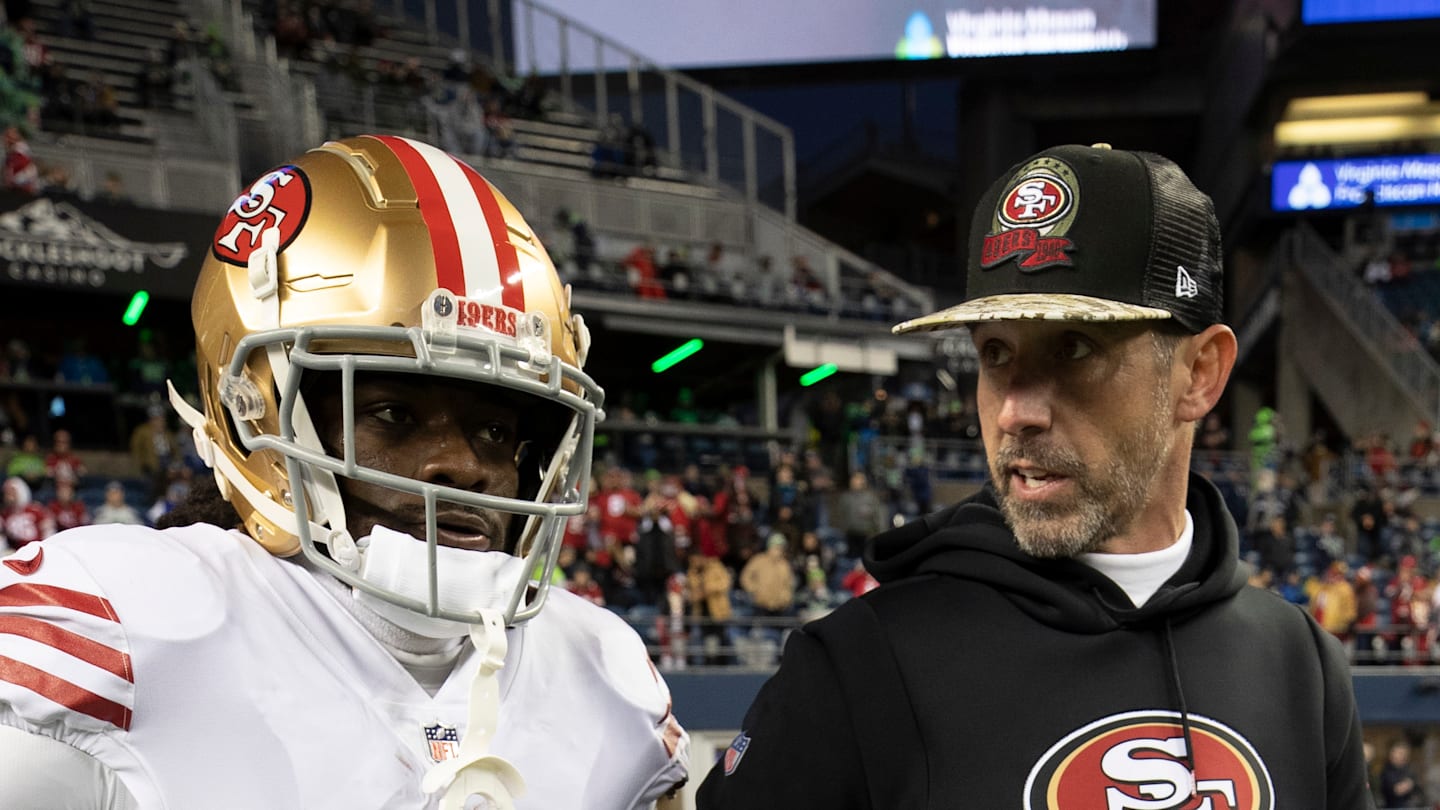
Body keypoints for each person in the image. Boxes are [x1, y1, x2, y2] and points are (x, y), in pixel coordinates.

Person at [0, 135, 687, 808]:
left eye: (495, 430)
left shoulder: (609, 674)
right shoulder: (126, 619)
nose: (463, 465)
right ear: (256, 416)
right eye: (392, 412)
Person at [697, 143, 1372, 808]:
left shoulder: (1300, 666)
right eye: (995, 353)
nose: (1016, 410)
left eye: (1075, 348)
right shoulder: (856, 668)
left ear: (1199, 374)